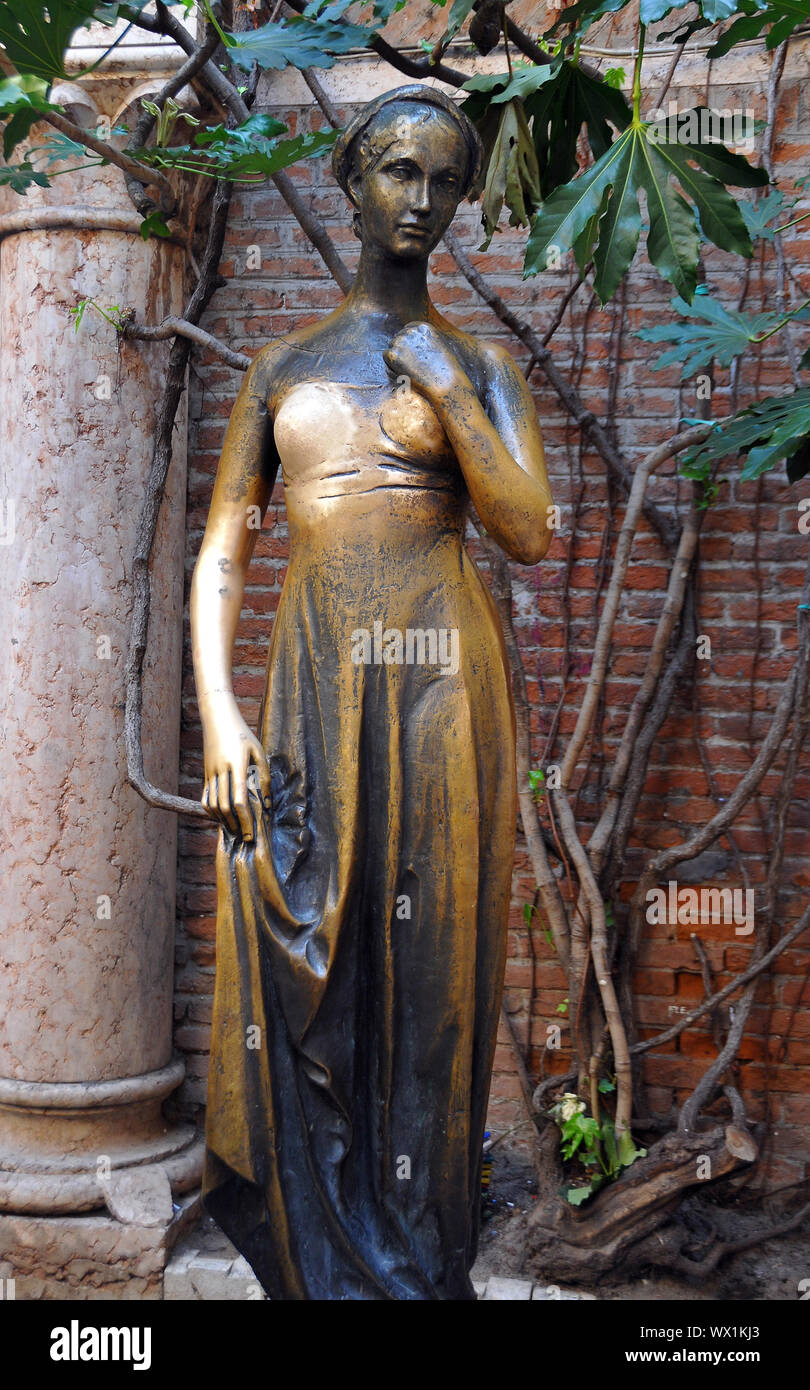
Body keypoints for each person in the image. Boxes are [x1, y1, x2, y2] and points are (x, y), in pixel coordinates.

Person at [190, 83, 553, 1300]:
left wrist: (450, 391)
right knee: (307, 952)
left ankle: (419, 1261)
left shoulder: (481, 361)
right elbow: (226, 553)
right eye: (398, 171)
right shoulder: (280, 365)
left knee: (436, 982)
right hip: (307, 690)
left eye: (446, 180)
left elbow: (529, 529)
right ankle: (321, 1257)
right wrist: (223, 716)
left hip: (442, 689)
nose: (422, 200)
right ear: (351, 184)